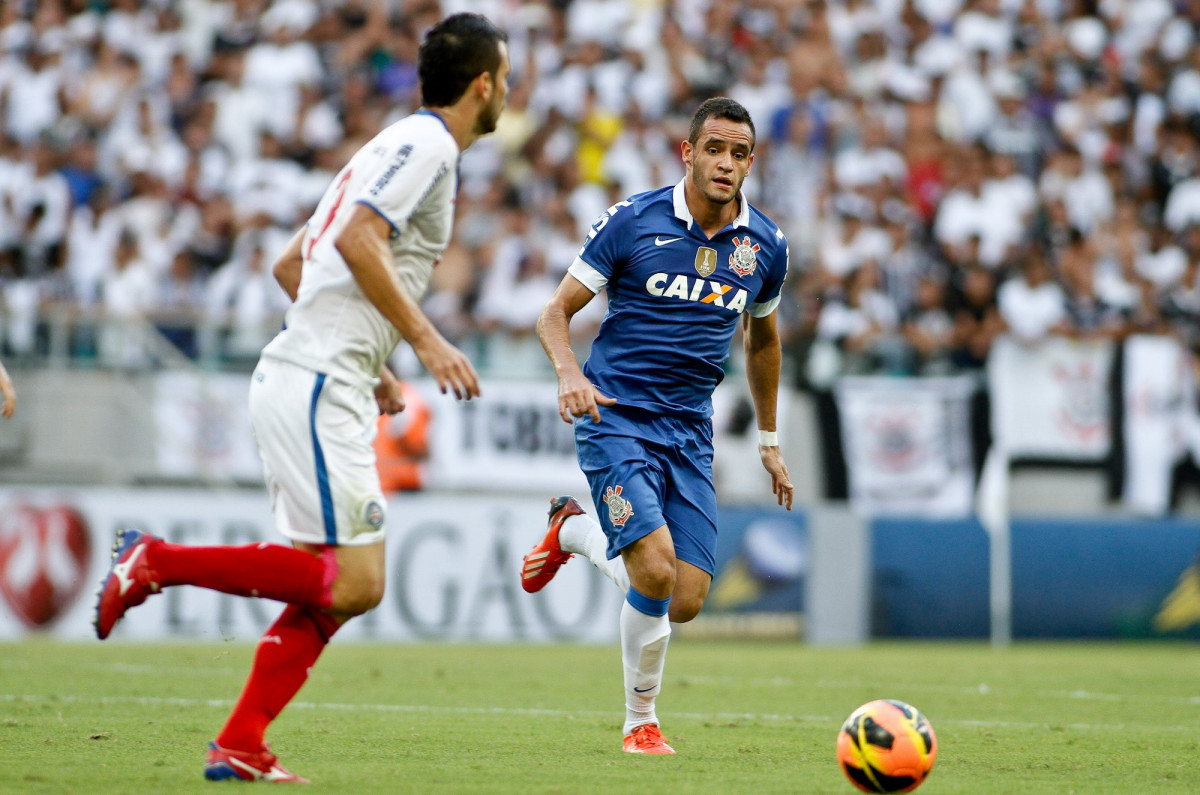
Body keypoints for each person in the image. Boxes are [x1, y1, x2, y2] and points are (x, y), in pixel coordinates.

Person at [92, 13, 510, 783]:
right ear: (483, 84)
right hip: (316, 385)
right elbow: (356, 239)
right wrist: (421, 340)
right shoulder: (430, 148)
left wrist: (377, 364)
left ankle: (242, 741)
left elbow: (293, 264)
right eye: (505, 81)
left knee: (339, 586)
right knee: (358, 580)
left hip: (322, 377)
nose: (507, 94)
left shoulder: (384, 147)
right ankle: (154, 560)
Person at [520, 97, 794, 755]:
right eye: (715, 149)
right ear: (689, 152)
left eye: (739, 153)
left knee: (685, 596)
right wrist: (568, 373)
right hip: (614, 419)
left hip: (690, 433)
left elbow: (763, 342)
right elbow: (554, 313)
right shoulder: (632, 221)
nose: (726, 163)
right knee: (653, 568)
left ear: (751, 162)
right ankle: (639, 719)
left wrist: (768, 439)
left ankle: (573, 531)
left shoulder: (766, 246)